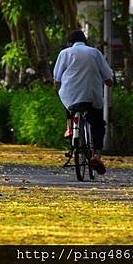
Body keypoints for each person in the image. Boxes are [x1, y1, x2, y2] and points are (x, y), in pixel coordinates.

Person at [53, 30, 113, 174]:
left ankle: (69, 127)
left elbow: (57, 80)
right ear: (85, 41)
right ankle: (97, 154)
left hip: (71, 96)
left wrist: (59, 87)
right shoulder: (95, 53)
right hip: (92, 96)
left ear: (69, 42)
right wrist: (108, 81)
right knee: (98, 123)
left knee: (65, 97)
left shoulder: (64, 53)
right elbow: (108, 79)